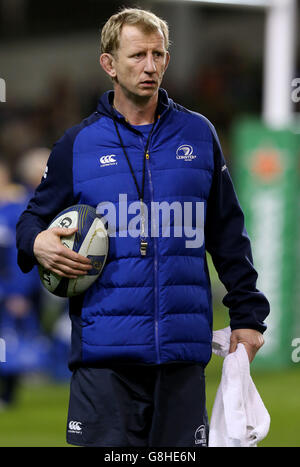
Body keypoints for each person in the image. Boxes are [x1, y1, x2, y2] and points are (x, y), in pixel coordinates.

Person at [16, 7, 270, 447]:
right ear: (109, 64)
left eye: (158, 54)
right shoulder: (77, 145)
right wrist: (37, 241)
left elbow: (228, 232)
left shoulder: (199, 134)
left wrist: (249, 315)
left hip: (181, 358)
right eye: (137, 55)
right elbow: (31, 220)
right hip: (104, 360)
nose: (150, 66)